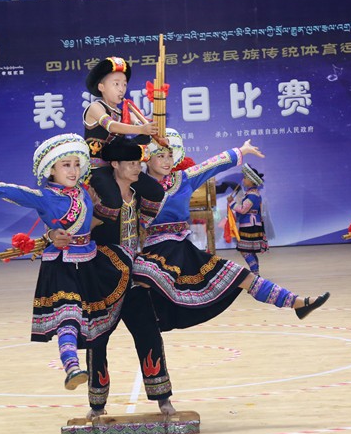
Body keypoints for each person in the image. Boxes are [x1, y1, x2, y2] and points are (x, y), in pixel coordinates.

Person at [0, 133, 132, 393]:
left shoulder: (84, 192)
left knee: (86, 318)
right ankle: (72, 367)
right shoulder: (44, 196)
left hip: (88, 260)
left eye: (76, 164)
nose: (73, 170)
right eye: (66, 165)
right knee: (68, 315)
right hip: (61, 264)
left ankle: (92, 385)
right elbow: (11, 190)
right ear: (51, 169)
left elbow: (95, 216)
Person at [133, 129, 330, 327]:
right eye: (160, 156)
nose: (167, 161)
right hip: (156, 250)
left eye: (170, 155)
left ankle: (296, 303)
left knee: (242, 276)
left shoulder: (184, 179)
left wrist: (242, 150)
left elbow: (213, 165)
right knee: (144, 278)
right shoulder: (135, 183)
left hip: (183, 249)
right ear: (147, 159)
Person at [77, 138, 176, 419]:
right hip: (102, 278)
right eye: (130, 163)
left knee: (149, 334)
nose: (136, 168)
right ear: (115, 164)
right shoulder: (96, 197)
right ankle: (97, 405)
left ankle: (163, 398)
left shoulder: (138, 194)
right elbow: (80, 230)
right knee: (97, 339)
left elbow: (154, 198)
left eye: (138, 163)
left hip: (133, 278)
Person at [83, 56, 166, 225]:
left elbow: (142, 126)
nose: (121, 89)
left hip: (118, 167)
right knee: (113, 201)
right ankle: (87, 229)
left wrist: (156, 134)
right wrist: (141, 129)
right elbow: (111, 126)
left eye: (124, 84)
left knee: (156, 191)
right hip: (97, 168)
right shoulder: (95, 107)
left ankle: (141, 226)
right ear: (101, 87)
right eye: (116, 84)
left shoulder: (124, 112)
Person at [227, 163, 269, 275]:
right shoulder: (253, 193)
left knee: (245, 250)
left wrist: (231, 203)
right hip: (252, 224)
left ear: (251, 181)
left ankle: (255, 273)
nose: (243, 180)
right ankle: (255, 273)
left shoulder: (252, 195)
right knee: (249, 251)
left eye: (245, 178)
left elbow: (243, 209)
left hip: (250, 225)